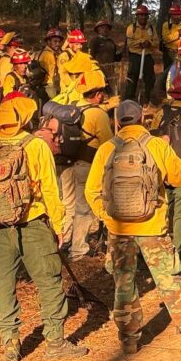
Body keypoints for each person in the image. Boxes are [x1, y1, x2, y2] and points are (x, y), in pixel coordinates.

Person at [85, 100, 181, 354]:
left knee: (124, 282)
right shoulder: (156, 145)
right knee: (169, 279)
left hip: (119, 229)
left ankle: (129, 340)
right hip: (152, 227)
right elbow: (178, 178)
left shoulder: (106, 150)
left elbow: (91, 191)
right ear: (143, 119)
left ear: (117, 122)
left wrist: (108, 217)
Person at [0, 92, 88, 361]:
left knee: (4, 284)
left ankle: (10, 343)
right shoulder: (36, 147)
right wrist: (60, 227)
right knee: (48, 282)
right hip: (32, 223)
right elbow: (50, 189)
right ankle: (55, 342)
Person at [56, 69, 113, 261]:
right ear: (97, 94)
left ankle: (62, 242)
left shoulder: (71, 108)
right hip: (86, 165)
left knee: (67, 205)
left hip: (66, 164)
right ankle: (78, 249)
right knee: (83, 208)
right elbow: (108, 143)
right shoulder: (98, 114)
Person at [150, 75, 181, 265]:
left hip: (162, 171)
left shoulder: (160, 113)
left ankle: (158, 255)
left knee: (162, 211)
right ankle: (178, 258)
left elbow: (152, 139)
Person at [124, 5, 157, 104]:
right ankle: (129, 99)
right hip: (135, 57)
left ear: (147, 17)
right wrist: (141, 42)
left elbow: (156, 42)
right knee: (132, 77)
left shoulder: (151, 28)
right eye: (140, 15)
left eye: (144, 15)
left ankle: (148, 98)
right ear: (137, 16)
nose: (143, 17)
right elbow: (130, 43)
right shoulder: (131, 28)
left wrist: (149, 43)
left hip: (147, 56)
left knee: (150, 78)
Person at [38, 27, 66, 97]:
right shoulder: (49, 55)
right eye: (55, 41)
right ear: (48, 41)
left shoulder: (43, 52)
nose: (58, 44)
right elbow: (54, 75)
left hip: (42, 87)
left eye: (59, 42)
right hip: (50, 87)